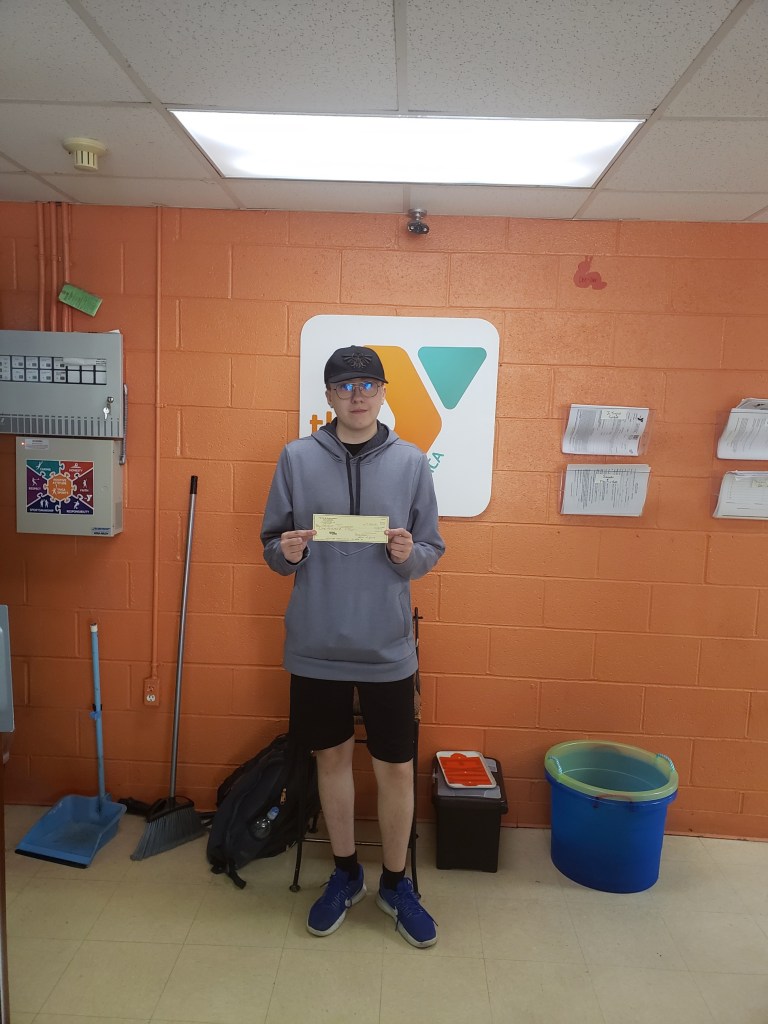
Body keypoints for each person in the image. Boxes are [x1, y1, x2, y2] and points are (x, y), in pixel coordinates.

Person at [261, 344, 445, 948]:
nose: (357, 395)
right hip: (316, 644)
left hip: (387, 648)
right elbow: (271, 546)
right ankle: (344, 874)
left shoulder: (412, 462)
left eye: (368, 385)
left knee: (395, 767)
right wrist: (286, 552)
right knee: (331, 760)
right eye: (345, 385)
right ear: (329, 395)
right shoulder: (296, 458)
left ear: (384, 392)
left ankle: (395, 882)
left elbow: (431, 547)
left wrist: (408, 556)